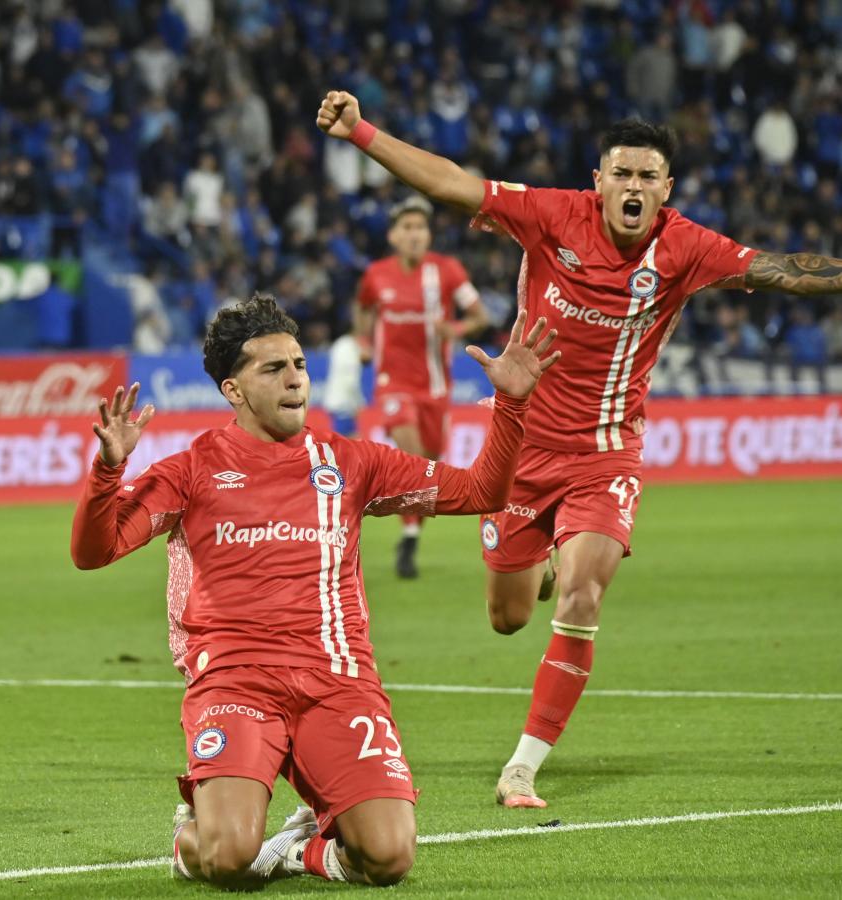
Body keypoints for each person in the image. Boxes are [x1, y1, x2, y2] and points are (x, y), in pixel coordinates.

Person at [317, 90, 842, 808]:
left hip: (605, 456)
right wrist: (361, 132)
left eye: (646, 177)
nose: (632, 187)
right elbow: (449, 181)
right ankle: (533, 565)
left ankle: (521, 768)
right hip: (522, 452)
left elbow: (782, 270)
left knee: (584, 592)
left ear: (666, 190)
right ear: (596, 181)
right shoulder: (549, 215)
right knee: (506, 616)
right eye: (619, 174)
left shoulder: (684, 246)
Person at [71, 294, 558, 888]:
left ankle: (308, 848)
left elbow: (482, 490)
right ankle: (191, 830)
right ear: (234, 390)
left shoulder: (350, 462)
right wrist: (107, 473)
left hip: (337, 678)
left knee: (389, 857)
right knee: (227, 858)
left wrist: (511, 404)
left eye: (299, 365)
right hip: (237, 676)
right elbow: (94, 552)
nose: (295, 379)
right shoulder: (193, 469)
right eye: (273, 369)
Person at [354, 195, 489, 578]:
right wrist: (363, 341)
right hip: (393, 383)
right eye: (407, 228)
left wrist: (458, 329)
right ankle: (409, 540)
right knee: (412, 454)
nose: (415, 235)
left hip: (434, 387)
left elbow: (479, 316)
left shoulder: (447, 272)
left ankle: (410, 536)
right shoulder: (376, 275)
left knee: (426, 467)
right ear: (394, 236)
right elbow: (363, 308)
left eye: (421, 228)